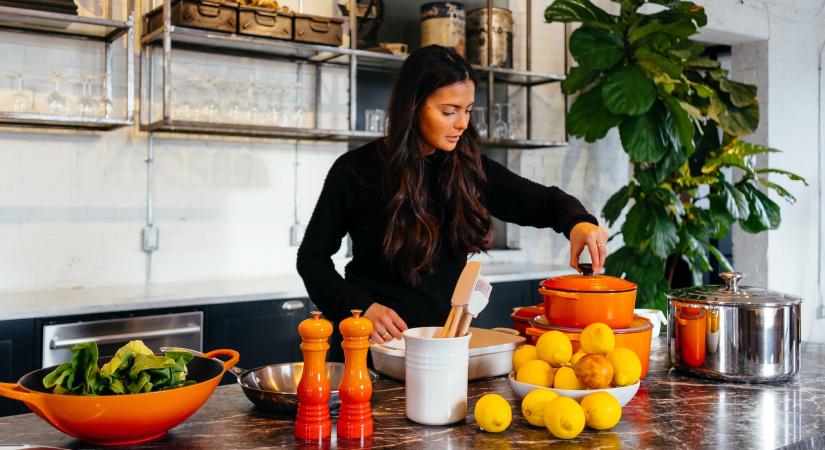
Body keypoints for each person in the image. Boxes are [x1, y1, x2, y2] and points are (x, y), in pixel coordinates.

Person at [297, 45, 608, 360]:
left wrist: (578, 222)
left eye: (468, 109)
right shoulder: (356, 171)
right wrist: (360, 307)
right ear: (414, 106)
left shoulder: (470, 169)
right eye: (449, 111)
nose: (462, 123)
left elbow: (546, 203)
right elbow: (312, 259)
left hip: (442, 352)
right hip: (369, 353)